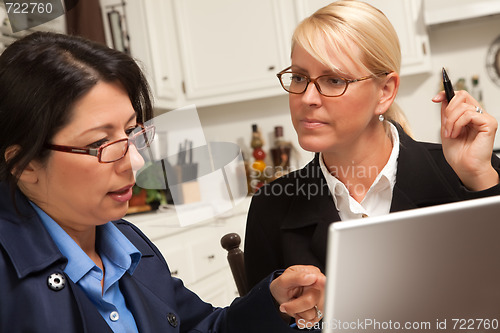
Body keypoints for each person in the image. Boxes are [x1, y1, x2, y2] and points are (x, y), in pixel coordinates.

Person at [0, 31, 326, 332]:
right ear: (24, 163)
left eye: (130, 132)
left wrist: (273, 304)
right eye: (101, 143)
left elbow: (203, 327)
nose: (137, 161)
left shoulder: (130, 247)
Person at [244, 0, 500, 289]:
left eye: (333, 80)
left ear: (385, 91)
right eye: (300, 77)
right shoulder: (271, 207)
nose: (307, 98)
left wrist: (480, 177)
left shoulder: (467, 175)